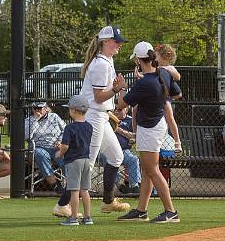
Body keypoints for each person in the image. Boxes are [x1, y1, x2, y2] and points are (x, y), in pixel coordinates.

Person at [52, 26, 132, 218]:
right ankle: (62, 205)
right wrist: (116, 90)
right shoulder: (100, 64)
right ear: (105, 42)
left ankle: (107, 201)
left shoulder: (106, 60)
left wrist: (114, 104)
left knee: (116, 157)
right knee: (86, 165)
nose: (120, 44)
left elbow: (101, 98)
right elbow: (97, 98)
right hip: (93, 117)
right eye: (116, 41)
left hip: (101, 116)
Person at [114, 41, 182, 223]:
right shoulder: (162, 74)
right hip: (155, 125)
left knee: (152, 170)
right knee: (147, 170)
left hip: (150, 129)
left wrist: (122, 87)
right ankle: (141, 210)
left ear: (138, 60)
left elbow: (121, 105)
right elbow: (177, 93)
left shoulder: (146, 82)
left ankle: (171, 211)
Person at [55, 96, 94, 226]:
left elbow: (65, 146)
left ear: (74, 110)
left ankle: (73, 218)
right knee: (85, 190)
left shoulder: (69, 128)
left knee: (74, 190)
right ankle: (88, 217)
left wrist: (59, 153)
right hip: (86, 159)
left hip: (73, 161)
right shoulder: (89, 126)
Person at [24, 101, 65, 193]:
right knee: (40, 153)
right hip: (39, 147)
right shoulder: (29, 120)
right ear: (32, 109)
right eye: (36, 109)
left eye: (40, 108)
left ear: (45, 108)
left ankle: (71, 185)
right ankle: (54, 184)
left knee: (65, 155)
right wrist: (35, 120)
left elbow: (65, 130)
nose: (38, 111)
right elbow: (27, 136)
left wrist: (60, 141)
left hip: (55, 147)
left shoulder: (54, 117)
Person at [113, 105, 141, 194]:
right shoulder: (108, 119)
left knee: (133, 159)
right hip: (108, 150)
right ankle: (119, 185)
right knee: (110, 160)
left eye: (120, 109)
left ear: (126, 109)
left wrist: (118, 129)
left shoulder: (131, 121)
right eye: (115, 109)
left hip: (124, 150)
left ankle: (134, 186)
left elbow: (134, 135)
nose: (117, 111)